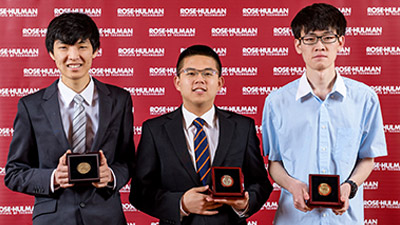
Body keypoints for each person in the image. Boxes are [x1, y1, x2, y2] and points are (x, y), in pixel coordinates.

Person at [261, 3, 387, 225]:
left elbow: (368, 157)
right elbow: (274, 162)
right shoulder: (276, 102)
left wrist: (351, 186)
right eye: (310, 39)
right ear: (298, 45)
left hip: (346, 219)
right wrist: (293, 186)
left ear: (340, 42)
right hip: (294, 218)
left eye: (327, 37)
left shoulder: (365, 98)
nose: (319, 45)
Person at [4, 13, 134, 225]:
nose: (73, 56)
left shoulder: (120, 100)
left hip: (106, 217)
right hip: (54, 218)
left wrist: (110, 175)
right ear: (51, 53)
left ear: (95, 50)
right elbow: (14, 172)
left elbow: (128, 161)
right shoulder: (31, 106)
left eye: (82, 46)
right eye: (64, 47)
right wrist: (53, 178)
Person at [130, 44, 272, 225]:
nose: (199, 79)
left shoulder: (242, 127)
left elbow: (260, 182)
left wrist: (245, 203)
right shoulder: (155, 129)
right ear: (177, 82)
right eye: (190, 73)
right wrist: (181, 204)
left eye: (207, 73)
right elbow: (140, 191)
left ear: (220, 82)